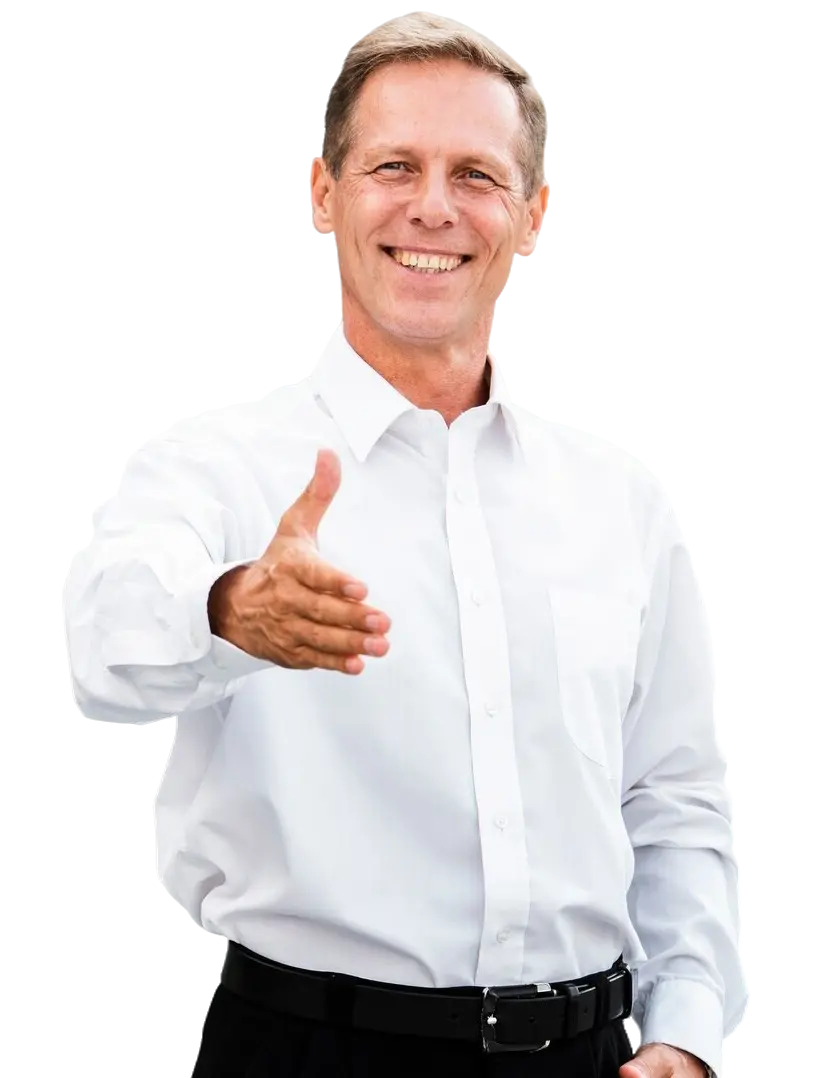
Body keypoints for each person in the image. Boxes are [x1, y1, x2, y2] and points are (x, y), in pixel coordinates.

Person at [66, 12, 745, 1077]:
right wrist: (229, 608)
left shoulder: (620, 496)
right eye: (394, 166)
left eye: (476, 174)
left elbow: (674, 791)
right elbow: (102, 654)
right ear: (323, 194)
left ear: (533, 215)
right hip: (306, 1055)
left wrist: (687, 1028)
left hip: (595, 1056)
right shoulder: (212, 463)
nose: (434, 206)